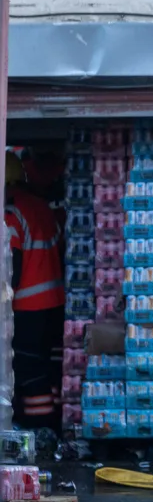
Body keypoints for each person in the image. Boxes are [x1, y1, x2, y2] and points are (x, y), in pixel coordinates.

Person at [5, 151, 65, 431]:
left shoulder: (12, 213)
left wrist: (6, 299)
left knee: (29, 370)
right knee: (48, 367)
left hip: (28, 308)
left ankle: (40, 429)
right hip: (55, 304)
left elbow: (12, 265)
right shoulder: (42, 208)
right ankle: (54, 425)